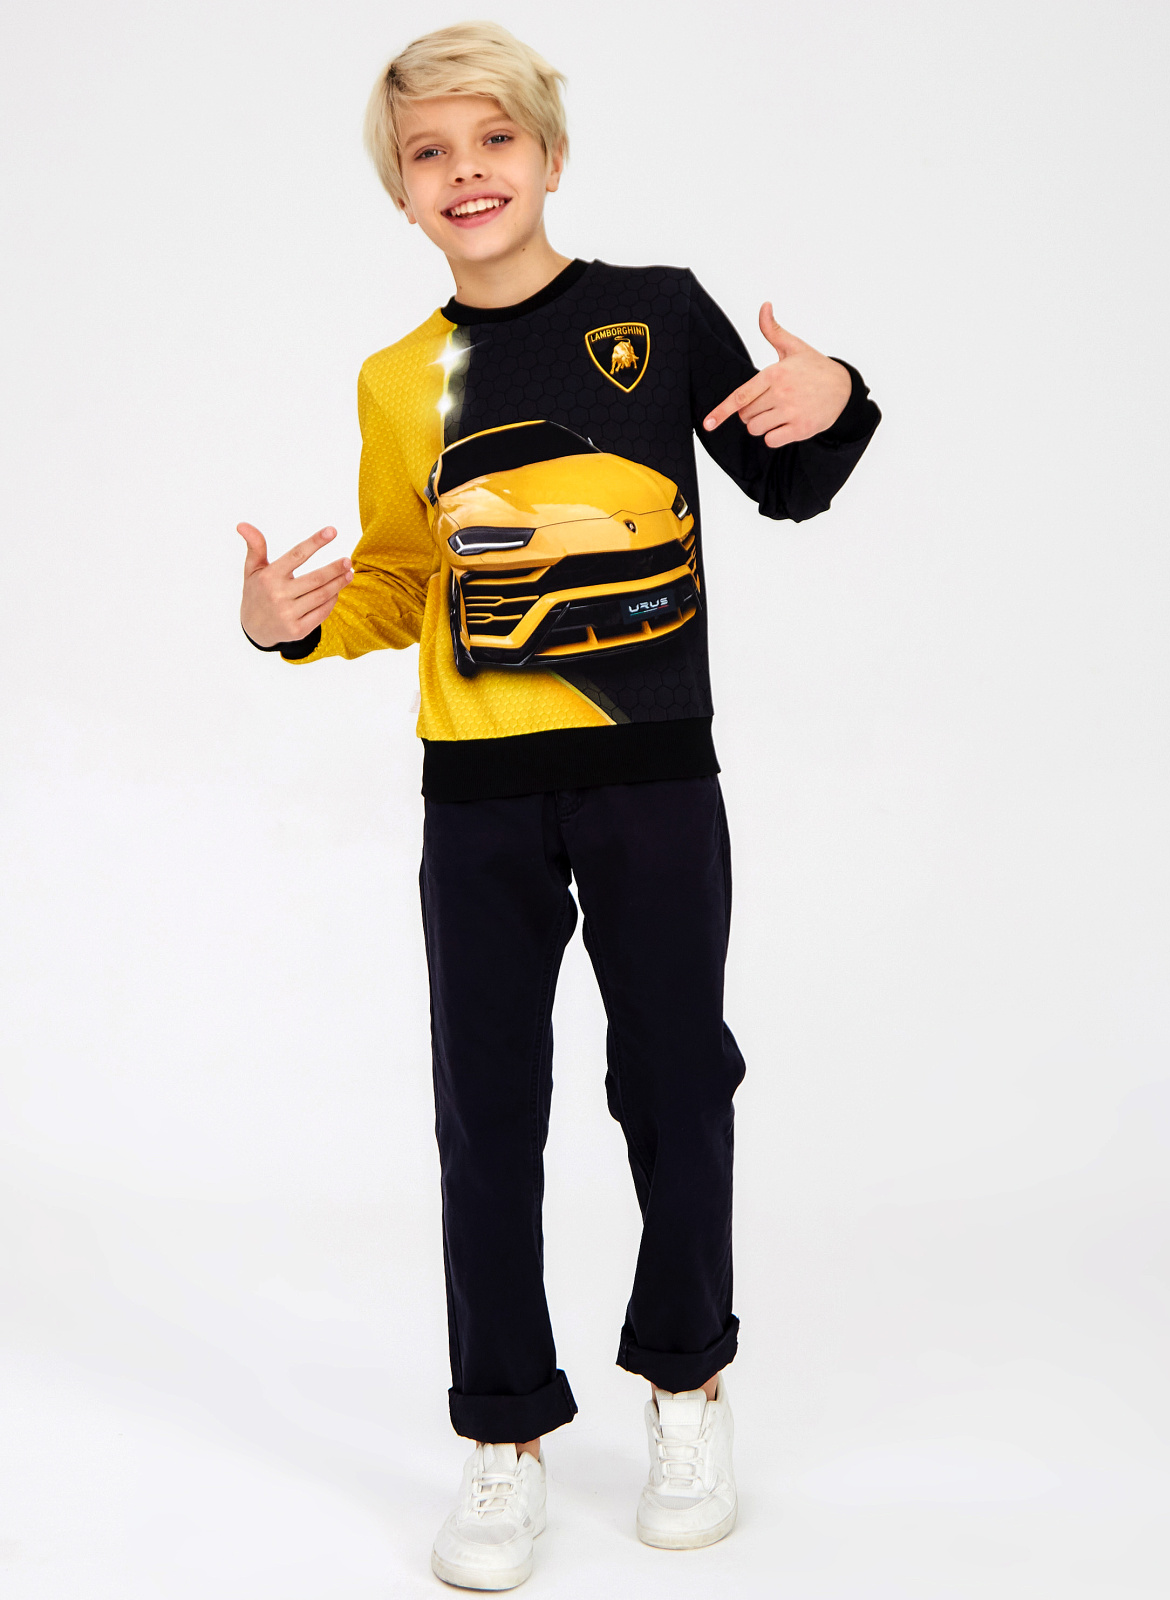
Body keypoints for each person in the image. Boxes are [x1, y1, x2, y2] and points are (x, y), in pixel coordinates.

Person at [237, 21, 881, 1591]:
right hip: (478, 797)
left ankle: (688, 1386)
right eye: (430, 153)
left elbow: (787, 484)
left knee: (678, 1083)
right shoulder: (402, 378)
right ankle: (503, 1436)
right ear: (400, 190)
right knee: (487, 1112)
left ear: (550, 155)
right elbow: (405, 580)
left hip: (655, 777)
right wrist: (286, 625)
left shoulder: (657, 316)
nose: (466, 172)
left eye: (493, 140)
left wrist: (839, 392)